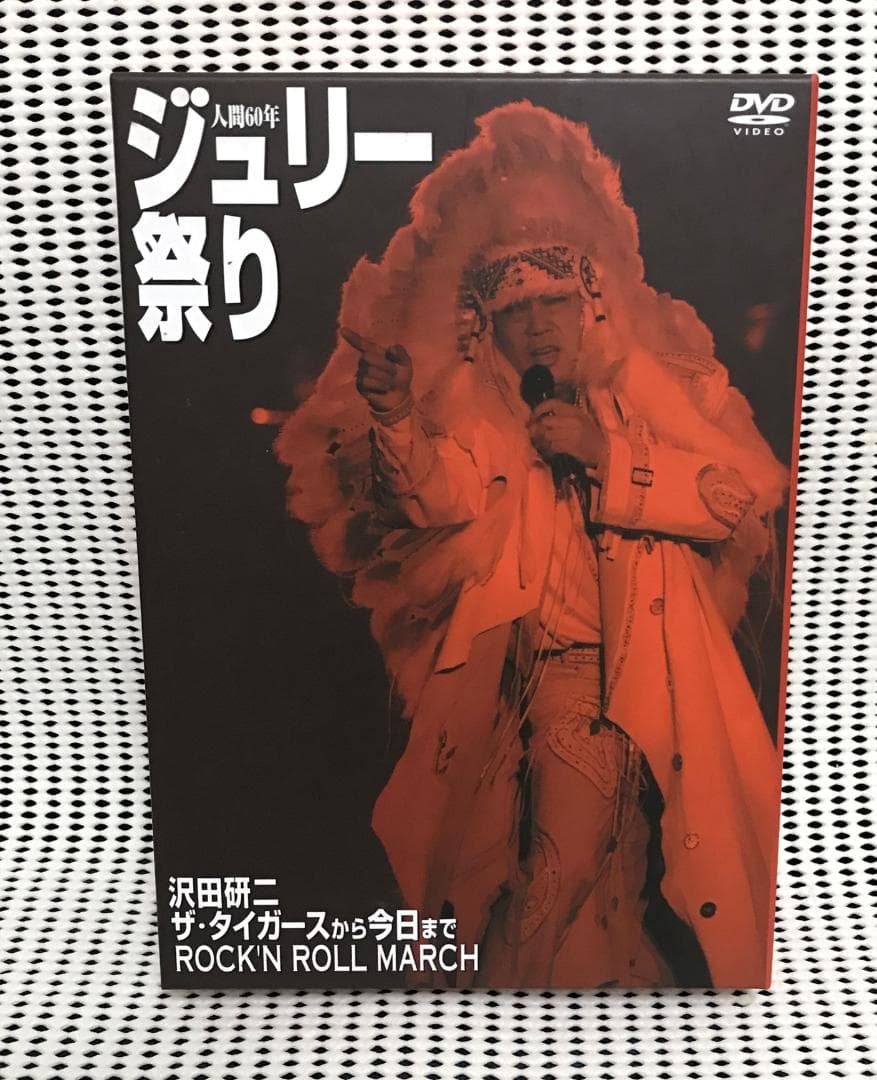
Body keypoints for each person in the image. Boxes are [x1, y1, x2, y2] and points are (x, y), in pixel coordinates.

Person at [275, 102, 789, 988]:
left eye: (554, 300)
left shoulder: (662, 394)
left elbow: (738, 496)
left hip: (633, 685)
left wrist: (610, 459)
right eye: (516, 311)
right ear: (487, 325)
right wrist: (394, 414)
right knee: (552, 902)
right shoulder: (488, 420)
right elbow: (434, 498)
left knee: (575, 903)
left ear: (590, 298)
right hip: (518, 696)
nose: (539, 325)